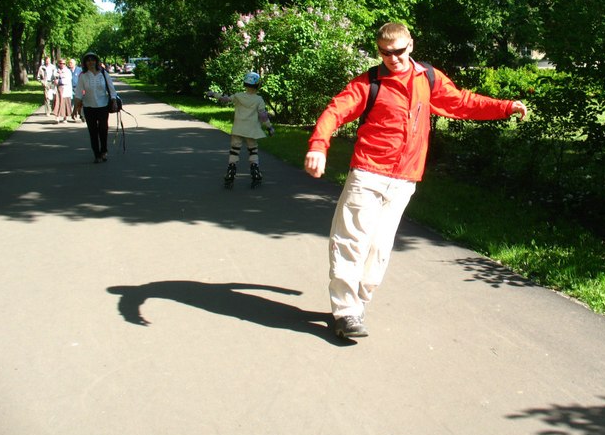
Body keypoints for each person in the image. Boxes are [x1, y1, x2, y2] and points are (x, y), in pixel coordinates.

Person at [304, 22, 528, 339]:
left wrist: (504, 107)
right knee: (350, 243)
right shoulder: (370, 83)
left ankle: (359, 304)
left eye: (398, 51)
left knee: (379, 250)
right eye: (385, 52)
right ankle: (345, 312)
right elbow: (335, 112)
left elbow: (462, 102)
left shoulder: (428, 78)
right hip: (367, 174)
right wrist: (318, 145)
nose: (392, 58)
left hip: (403, 181)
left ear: (410, 44)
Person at [206, 72, 275, 189]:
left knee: (234, 151)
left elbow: (225, 99)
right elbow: (263, 116)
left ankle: (230, 174)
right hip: (251, 130)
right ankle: (256, 174)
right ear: (258, 85)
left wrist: (213, 94)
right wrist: (269, 127)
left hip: (238, 128)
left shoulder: (238, 96)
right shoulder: (259, 100)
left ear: (245, 84)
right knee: (253, 151)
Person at [74, 52, 118, 163]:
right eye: (88, 60)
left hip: (103, 106)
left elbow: (112, 89)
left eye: (92, 60)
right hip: (89, 107)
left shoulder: (103, 73)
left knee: (103, 129)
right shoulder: (83, 76)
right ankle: (96, 154)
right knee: (92, 131)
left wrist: (113, 101)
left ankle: (104, 150)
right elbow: (78, 93)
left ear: (96, 61)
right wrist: (75, 108)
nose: (90, 62)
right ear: (85, 63)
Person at [52, 59, 73, 123]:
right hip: (58, 89)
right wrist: (54, 81)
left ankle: (65, 117)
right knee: (57, 102)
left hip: (65, 89)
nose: (62, 65)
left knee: (65, 103)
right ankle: (57, 117)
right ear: (58, 64)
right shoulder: (56, 71)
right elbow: (53, 78)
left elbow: (68, 80)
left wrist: (59, 81)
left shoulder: (67, 71)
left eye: (63, 63)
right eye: (61, 63)